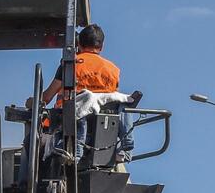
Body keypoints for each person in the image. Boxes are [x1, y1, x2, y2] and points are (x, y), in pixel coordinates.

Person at [32, 24, 137, 158]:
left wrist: (32, 102)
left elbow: (46, 98)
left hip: (69, 131)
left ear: (79, 44)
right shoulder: (113, 70)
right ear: (101, 47)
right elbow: (112, 100)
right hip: (103, 136)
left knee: (30, 143)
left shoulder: (71, 64)